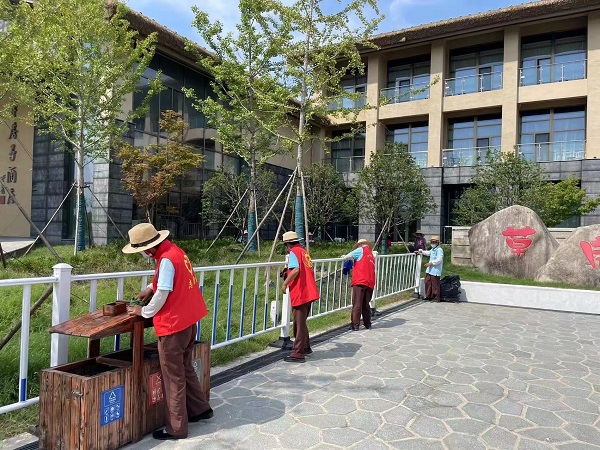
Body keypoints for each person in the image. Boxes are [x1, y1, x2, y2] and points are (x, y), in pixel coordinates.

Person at [123, 223, 213, 441]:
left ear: (148, 248)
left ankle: (176, 428)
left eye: (142, 250)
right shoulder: (175, 251)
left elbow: (163, 292)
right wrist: (149, 289)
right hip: (188, 321)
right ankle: (200, 409)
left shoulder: (165, 260)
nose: (144, 254)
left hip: (173, 326)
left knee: (173, 377)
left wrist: (143, 311)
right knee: (185, 367)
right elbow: (167, 280)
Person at [280, 231, 320, 363]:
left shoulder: (293, 252)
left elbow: (296, 270)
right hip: (309, 290)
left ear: (287, 243)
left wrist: (285, 283)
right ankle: (306, 347)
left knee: (298, 324)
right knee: (301, 322)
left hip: (301, 291)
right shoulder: (303, 252)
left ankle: (298, 353)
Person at [342, 238, 375, 331]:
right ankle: (367, 324)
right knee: (366, 304)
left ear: (360, 245)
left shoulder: (360, 250)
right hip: (370, 282)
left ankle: (355, 325)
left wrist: (344, 257)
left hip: (360, 280)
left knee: (357, 303)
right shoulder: (371, 254)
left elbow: (347, 257)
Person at [418, 235, 444, 301]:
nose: (432, 243)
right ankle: (428, 296)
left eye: (434, 242)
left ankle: (436, 297)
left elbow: (439, 259)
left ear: (437, 242)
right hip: (430, 269)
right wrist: (422, 252)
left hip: (435, 270)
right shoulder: (433, 249)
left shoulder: (439, 250)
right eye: (432, 242)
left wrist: (431, 263)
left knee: (435, 283)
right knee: (428, 282)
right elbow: (428, 253)